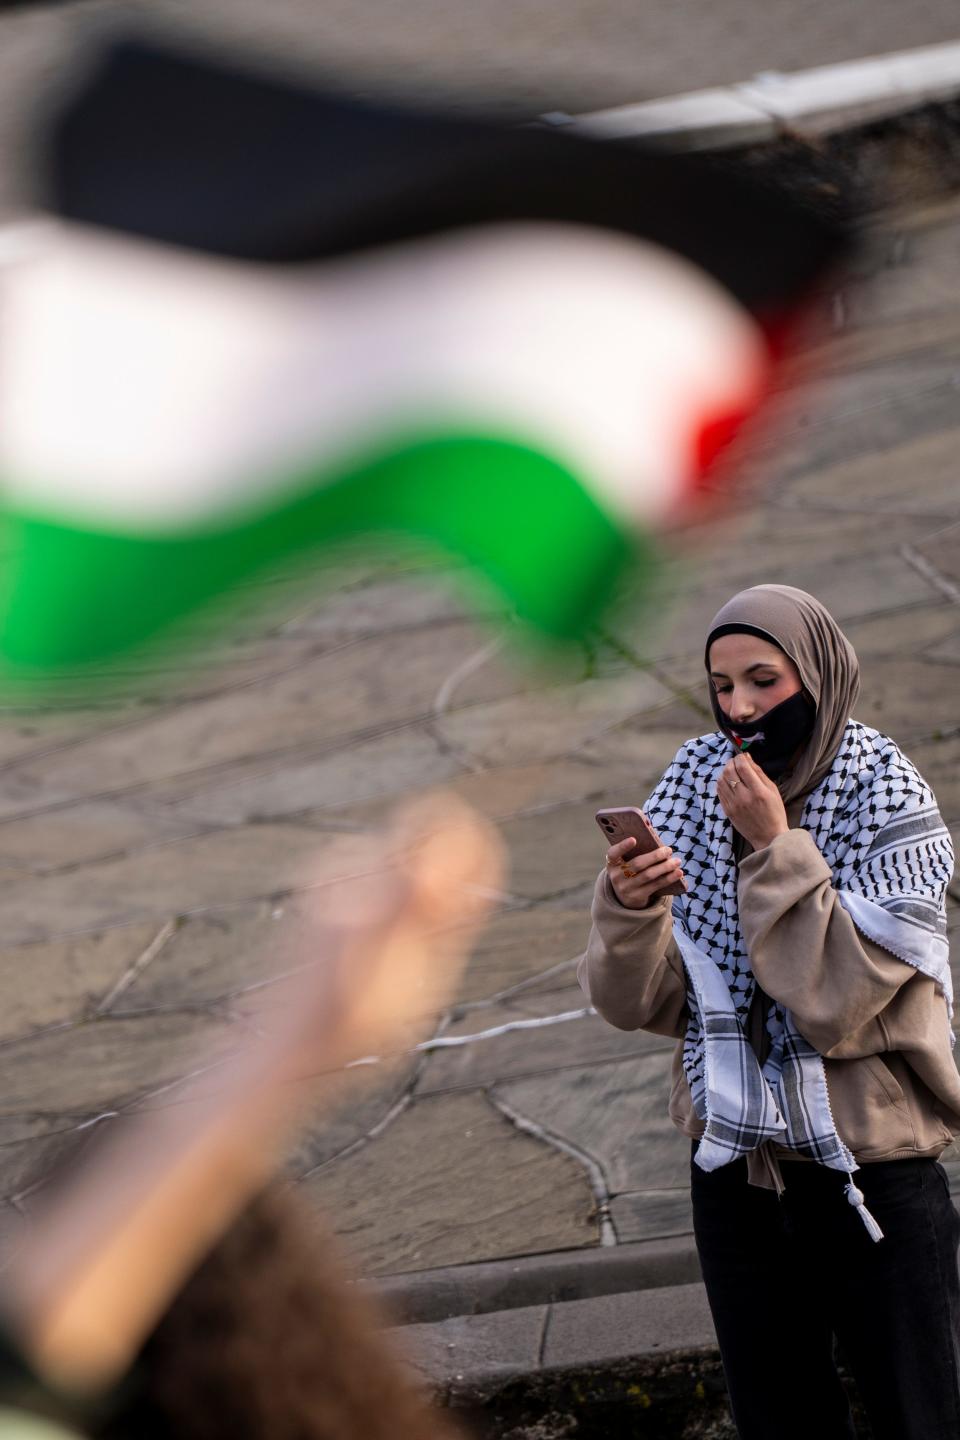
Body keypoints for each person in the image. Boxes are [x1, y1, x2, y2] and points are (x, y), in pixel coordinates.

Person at [579, 583, 960, 1440]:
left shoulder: (885, 795)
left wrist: (777, 846)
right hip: (734, 1165)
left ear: (817, 679)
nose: (740, 709)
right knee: (778, 1415)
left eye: (764, 681)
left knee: (920, 1413)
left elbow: (835, 1001)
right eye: (723, 686)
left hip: (871, 1168)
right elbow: (632, 1001)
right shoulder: (691, 784)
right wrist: (631, 909)